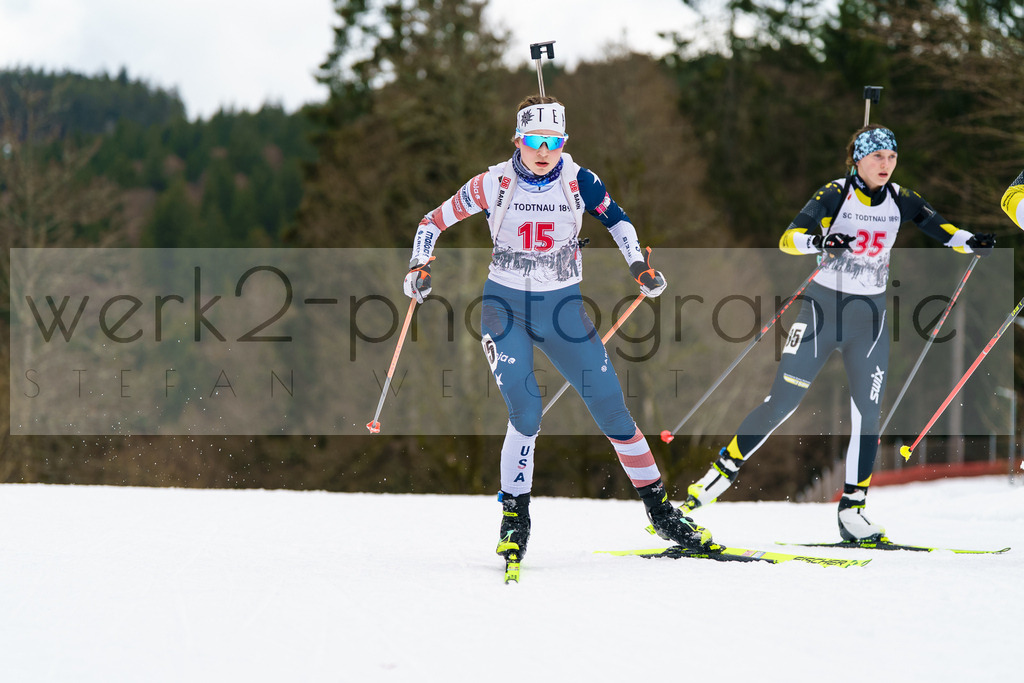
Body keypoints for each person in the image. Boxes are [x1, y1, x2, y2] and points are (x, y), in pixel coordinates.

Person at [402, 95, 713, 566]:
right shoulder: (493, 183)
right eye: (534, 141)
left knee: (612, 409)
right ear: (518, 141)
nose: (544, 151)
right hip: (504, 310)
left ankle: (660, 511)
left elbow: (620, 221)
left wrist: (639, 267)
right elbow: (431, 221)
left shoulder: (578, 180)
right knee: (526, 411)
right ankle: (514, 518)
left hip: (563, 310)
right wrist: (418, 267)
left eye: (553, 141)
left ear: (563, 143)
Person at [680, 124, 996, 542]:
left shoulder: (902, 199)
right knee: (782, 404)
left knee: (869, 414)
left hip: (870, 319)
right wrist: (821, 240)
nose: (886, 165)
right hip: (821, 312)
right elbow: (788, 240)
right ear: (858, 160)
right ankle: (710, 486)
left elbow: (940, 229)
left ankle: (853, 510)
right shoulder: (834, 193)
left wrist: (972, 241)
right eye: (877, 157)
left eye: (892, 157)